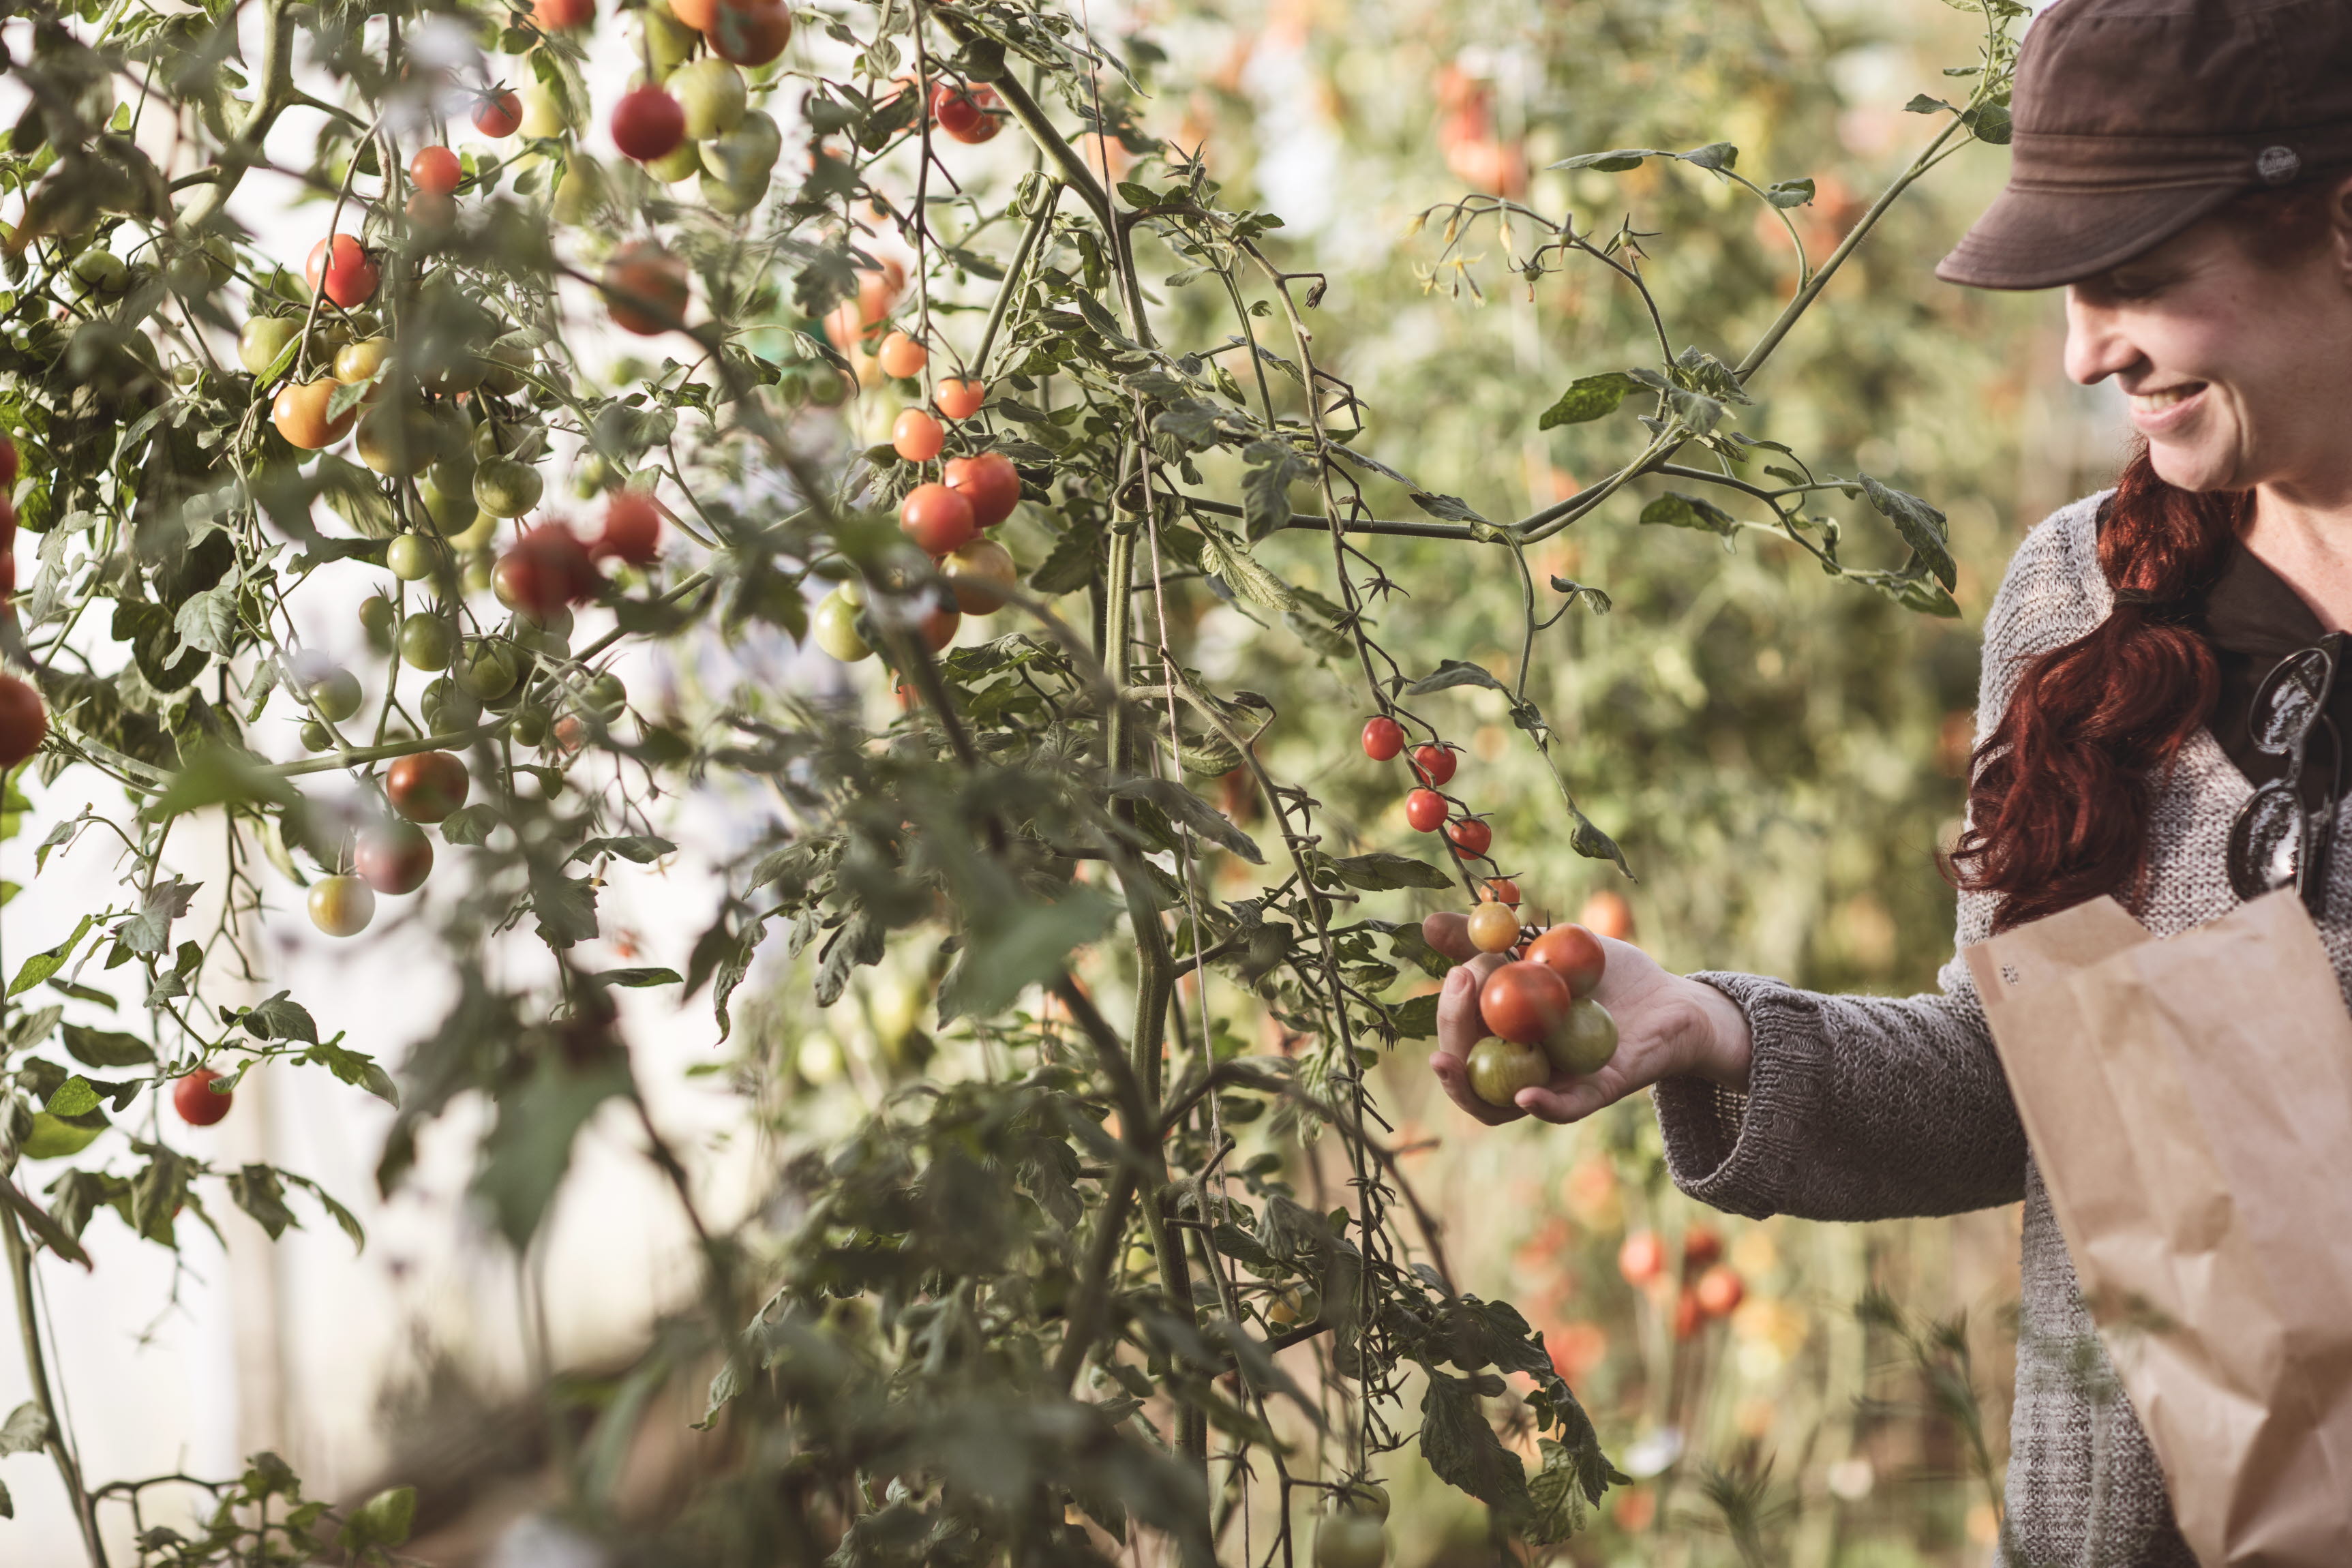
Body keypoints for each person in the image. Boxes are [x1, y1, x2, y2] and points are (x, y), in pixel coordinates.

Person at [1423, 0, 2352, 1561]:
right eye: (2070, 292)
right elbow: (2021, 1083)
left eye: (2136, 278)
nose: (2083, 352)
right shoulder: (2081, 601)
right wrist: (1714, 1029)